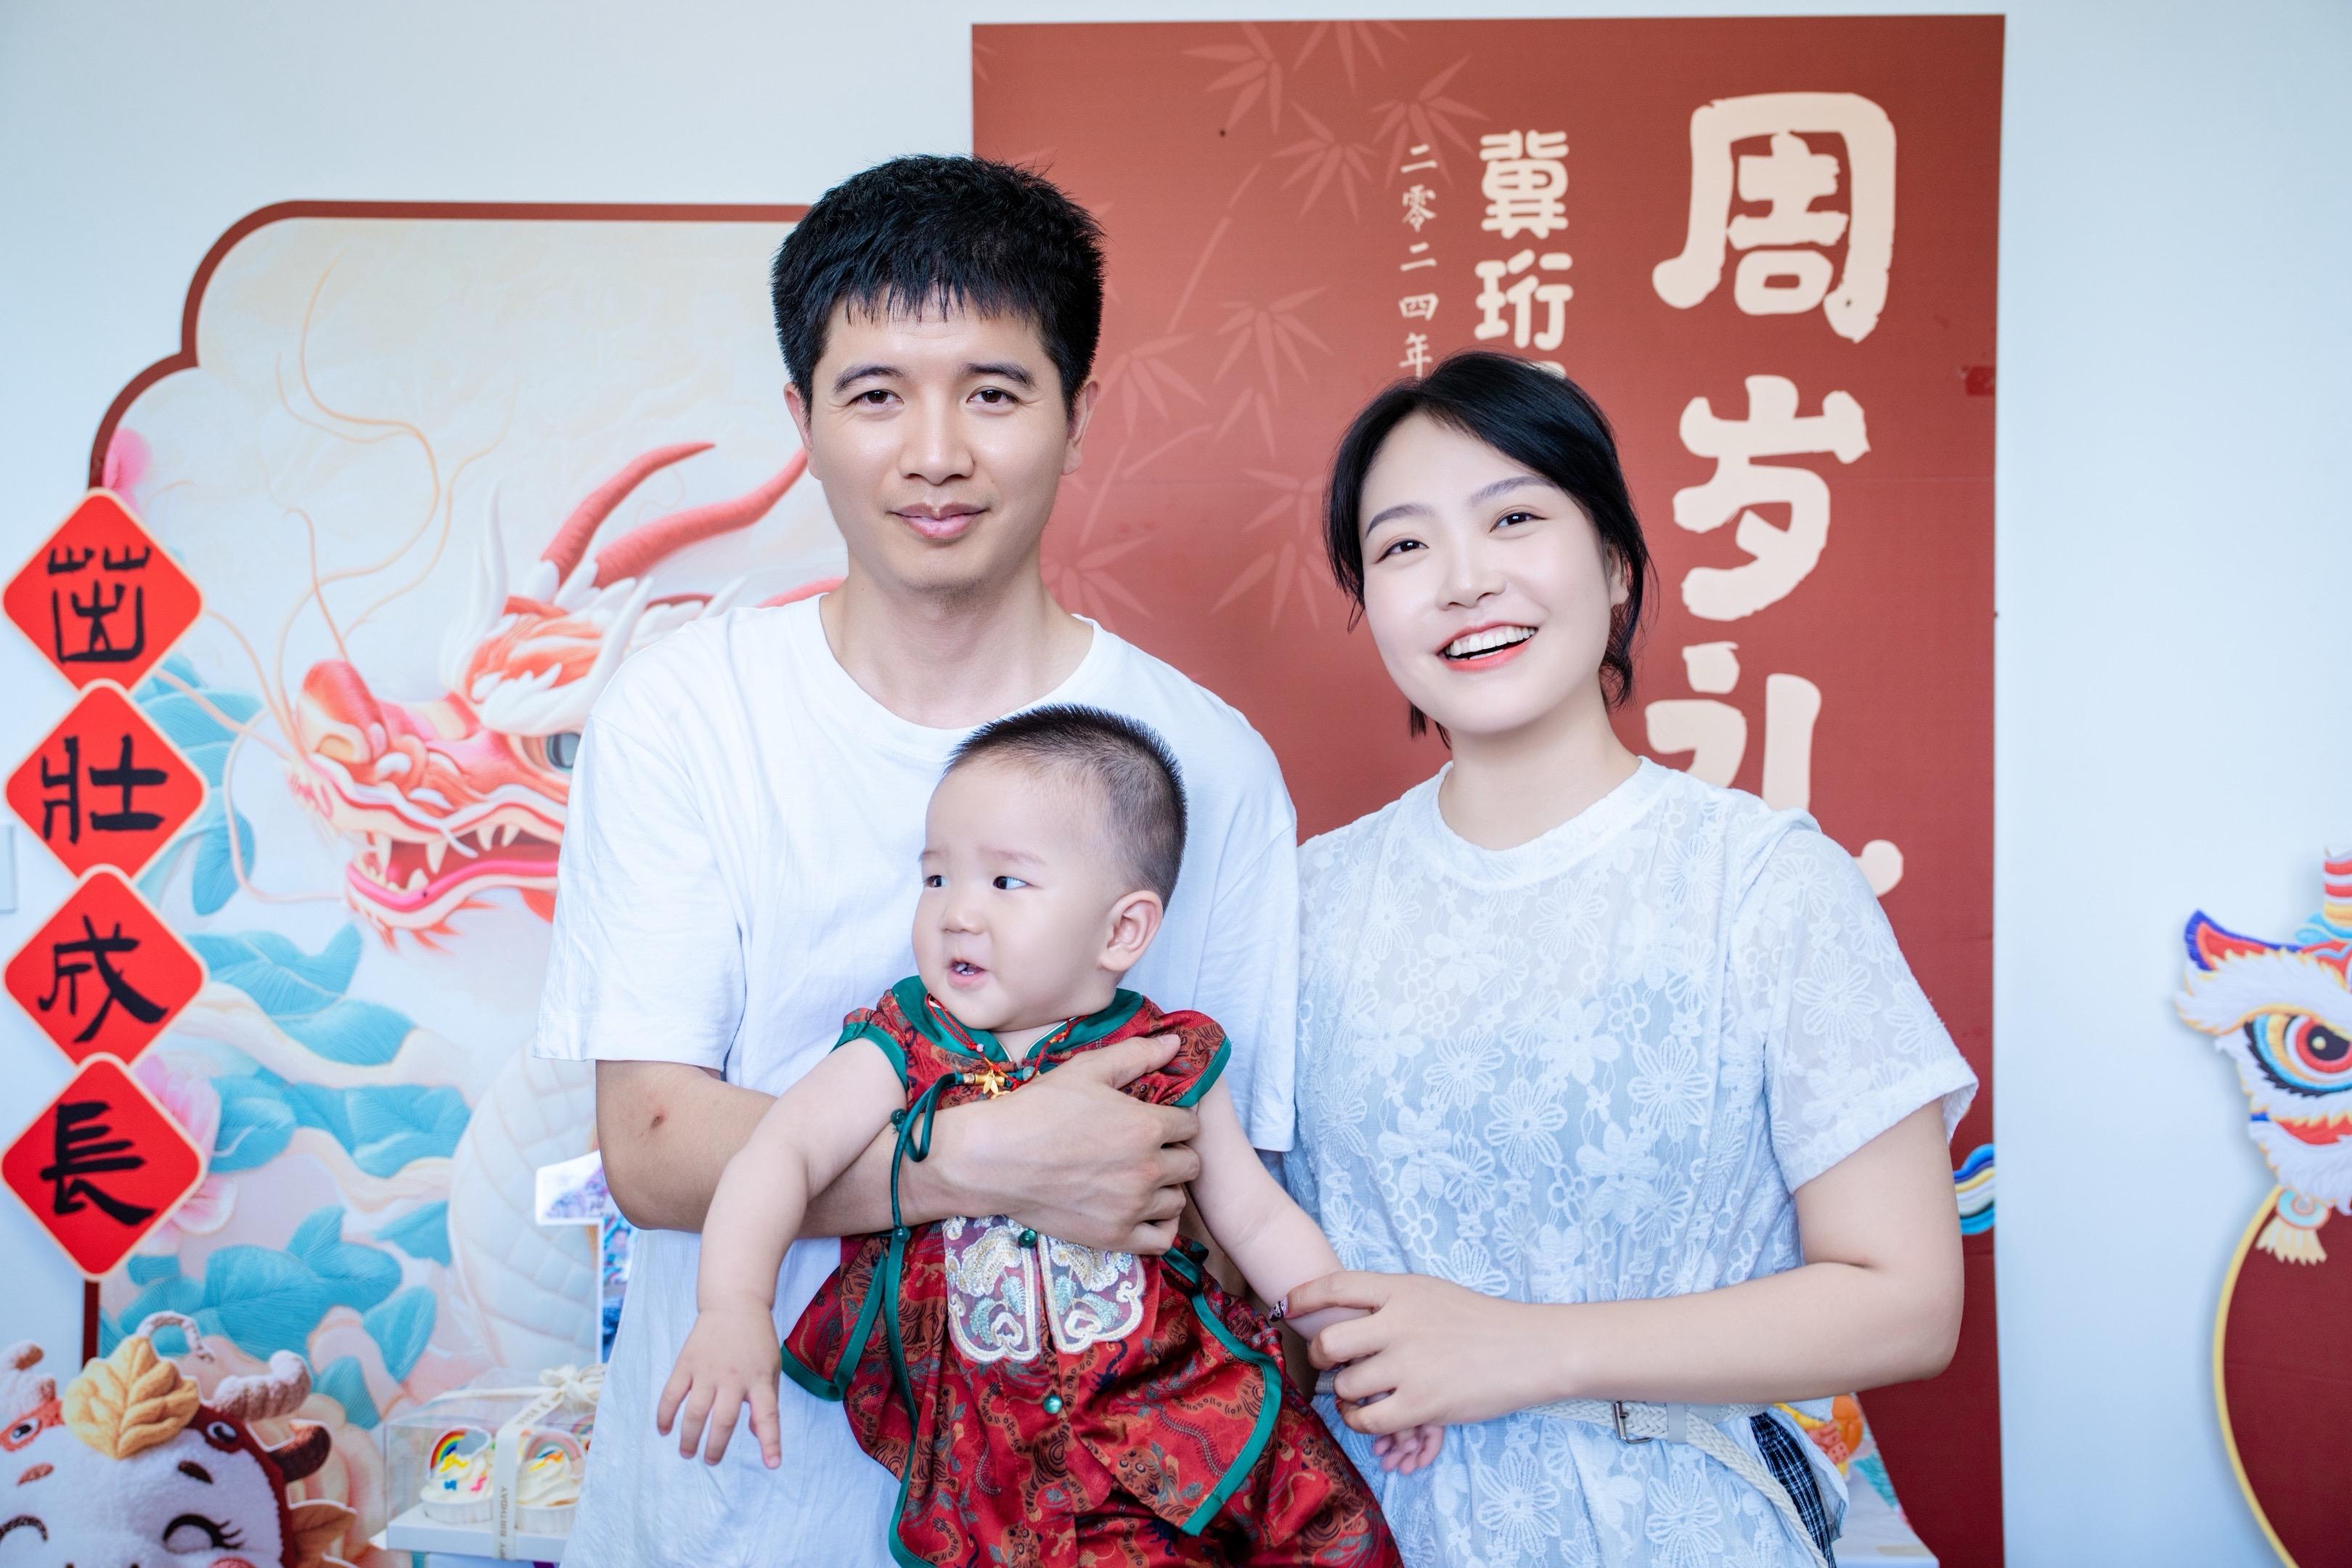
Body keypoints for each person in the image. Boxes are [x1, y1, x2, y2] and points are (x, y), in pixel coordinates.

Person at [531, 156, 1302, 1567]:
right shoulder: (684, 712)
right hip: (728, 1517)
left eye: (994, 393)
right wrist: (985, 1158)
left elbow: (1221, 1181)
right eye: (876, 394)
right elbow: (651, 1147)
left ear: (1077, 416)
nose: (935, 453)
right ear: (803, 422)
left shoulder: (1207, 761)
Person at [1280, 352, 1977, 1568]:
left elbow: (1907, 1301)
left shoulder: (1763, 884)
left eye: (1514, 519)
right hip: (1379, 1524)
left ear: (1613, 563)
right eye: (1404, 547)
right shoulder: (1302, 906)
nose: (1463, 579)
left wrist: (1527, 1348)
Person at [658, 706, 1422, 1566]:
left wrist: (1355, 1352)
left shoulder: (1163, 1055)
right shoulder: (903, 1042)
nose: (955, 912)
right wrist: (732, 1305)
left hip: (1186, 1427)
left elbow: (1257, 1217)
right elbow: (782, 1152)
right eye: (936, 877)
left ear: (1121, 930)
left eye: (1005, 882)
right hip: (1004, 1479)